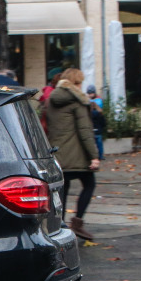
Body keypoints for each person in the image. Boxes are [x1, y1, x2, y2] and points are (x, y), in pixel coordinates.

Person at [45, 68, 100, 241]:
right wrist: (94, 155)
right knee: (89, 184)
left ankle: (59, 225)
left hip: (58, 153)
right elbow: (85, 131)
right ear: (76, 83)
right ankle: (77, 224)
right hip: (76, 154)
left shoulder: (51, 100)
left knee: (63, 188)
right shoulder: (78, 102)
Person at [87, 85, 106, 160]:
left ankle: (99, 155)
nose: (89, 95)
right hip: (97, 128)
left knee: (97, 143)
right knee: (98, 143)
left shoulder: (97, 102)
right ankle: (100, 155)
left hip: (96, 128)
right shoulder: (99, 110)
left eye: (90, 93)